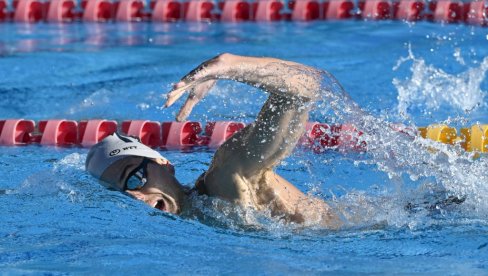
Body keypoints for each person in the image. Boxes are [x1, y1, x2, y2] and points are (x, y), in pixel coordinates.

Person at [86, 53, 341, 228]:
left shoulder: (225, 177)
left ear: (164, 163)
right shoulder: (198, 216)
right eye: (119, 193)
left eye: (133, 178)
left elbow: (303, 89)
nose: (134, 196)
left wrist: (230, 66)